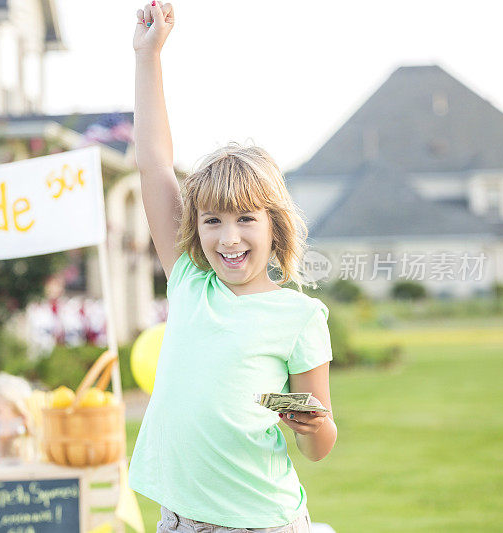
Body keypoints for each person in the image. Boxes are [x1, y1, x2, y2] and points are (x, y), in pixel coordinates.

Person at [128, 3, 337, 532]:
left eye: (246, 218)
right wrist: (147, 55)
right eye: (212, 220)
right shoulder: (189, 283)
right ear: (194, 227)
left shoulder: (300, 316)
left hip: (262, 520)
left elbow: (320, 444)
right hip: (183, 520)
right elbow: (154, 162)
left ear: (274, 226)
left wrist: (310, 425)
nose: (229, 237)